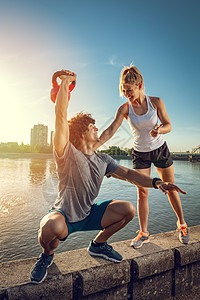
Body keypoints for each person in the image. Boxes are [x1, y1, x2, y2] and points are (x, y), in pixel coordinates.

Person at [30, 70, 186, 284]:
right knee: (50, 227)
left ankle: (98, 245)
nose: (96, 128)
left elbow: (130, 175)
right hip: (65, 216)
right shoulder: (67, 153)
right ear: (81, 134)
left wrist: (157, 182)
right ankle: (46, 256)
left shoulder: (103, 159)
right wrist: (65, 82)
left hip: (89, 214)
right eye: (91, 126)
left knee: (128, 210)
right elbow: (60, 117)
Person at [93, 65, 190, 249]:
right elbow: (111, 130)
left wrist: (160, 129)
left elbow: (169, 125)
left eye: (129, 90)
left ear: (140, 85)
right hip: (140, 153)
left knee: (170, 189)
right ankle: (144, 233)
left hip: (160, 149)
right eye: (124, 90)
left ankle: (182, 225)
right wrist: (92, 147)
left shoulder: (156, 102)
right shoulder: (125, 109)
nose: (127, 94)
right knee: (142, 191)